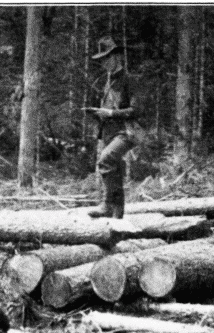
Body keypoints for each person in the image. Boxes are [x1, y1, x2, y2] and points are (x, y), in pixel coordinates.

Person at [84, 36, 141, 219]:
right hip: (110, 131)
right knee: (113, 168)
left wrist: (109, 113)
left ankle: (108, 205)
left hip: (127, 130)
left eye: (107, 58)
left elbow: (136, 110)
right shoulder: (108, 81)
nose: (104, 63)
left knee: (106, 160)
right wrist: (96, 113)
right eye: (101, 60)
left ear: (117, 57)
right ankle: (118, 215)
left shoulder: (129, 79)